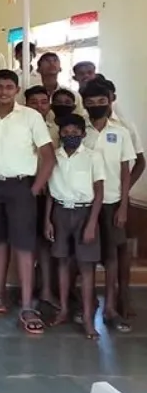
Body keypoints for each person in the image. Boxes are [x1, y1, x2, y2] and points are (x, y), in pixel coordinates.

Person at [0, 70, 55, 335]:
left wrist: (34, 189)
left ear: (17, 90)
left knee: (23, 245)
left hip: (21, 186)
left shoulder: (30, 117)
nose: (4, 92)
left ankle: (28, 306)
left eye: (9, 87)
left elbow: (48, 157)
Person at [44, 113, 105, 339]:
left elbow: (99, 192)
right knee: (61, 262)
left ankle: (88, 319)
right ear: (60, 134)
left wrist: (91, 223)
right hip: (60, 211)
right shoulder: (54, 157)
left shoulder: (92, 156)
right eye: (66, 132)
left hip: (84, 212)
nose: (70, 135)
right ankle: (63, 310)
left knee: (86, 267)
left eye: (75, 132)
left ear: (83, 134)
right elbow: (50, 192)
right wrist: (47, 220)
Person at [81, 80, 134, 333]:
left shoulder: (121, 132)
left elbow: (126, 171)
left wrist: (123, 206)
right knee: (87, 258)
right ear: (84, 104)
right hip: (84, 202)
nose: (96, 106)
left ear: (110, 102)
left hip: (112, 202)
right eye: (90, 103)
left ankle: (110, 308)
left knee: (112, 257)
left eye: (101, 102)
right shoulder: (79, 130)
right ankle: (88, 305)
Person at [24, 84, 59, 312]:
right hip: (25, 188)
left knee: (45, 242)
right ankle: (27, 290)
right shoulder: (21, 125)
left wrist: (45, 182)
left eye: (43, 102)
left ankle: (46, 289)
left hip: (51, 192)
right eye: (33, 102)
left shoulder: (57, 129)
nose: (39, 106)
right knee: (25, 242)